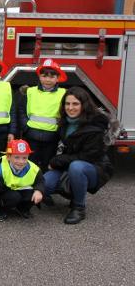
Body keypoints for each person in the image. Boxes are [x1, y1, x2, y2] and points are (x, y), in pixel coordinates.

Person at [43, 86, 114, 224]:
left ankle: (79, 208)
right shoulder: (65, 122)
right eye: (67, 103)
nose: (70, 107)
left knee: (77, 167)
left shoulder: (95, 126)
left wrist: (57, 161)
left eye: (75, 104)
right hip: (71, 163)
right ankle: (74, 192)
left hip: (95, 168)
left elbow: (88, 157)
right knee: (44, 184)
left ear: (84, 105)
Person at [18, 59, 67, 170]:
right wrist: (26, 127)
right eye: (44, 76)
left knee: (47, 163)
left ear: (58, 78)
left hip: (51, 136)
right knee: (30, 163)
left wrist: (59, 131)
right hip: (31, 135)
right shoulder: (30, 92)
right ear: (39, 77)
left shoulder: (63, 93)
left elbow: (66, 113)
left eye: (51, 77)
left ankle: (45, 185)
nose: (47, 80)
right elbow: (21, 110)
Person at [0, 139, 44, 224]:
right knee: (14, 196)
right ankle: (2, 210)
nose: (21, 161)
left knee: (34, 194)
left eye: (24, 158)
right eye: (17, 157)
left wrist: (39, 191)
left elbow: (40, 181)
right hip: (5, 194)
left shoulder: (34, 169)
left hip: (22, 191)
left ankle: (22, 208)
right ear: (8, 156)